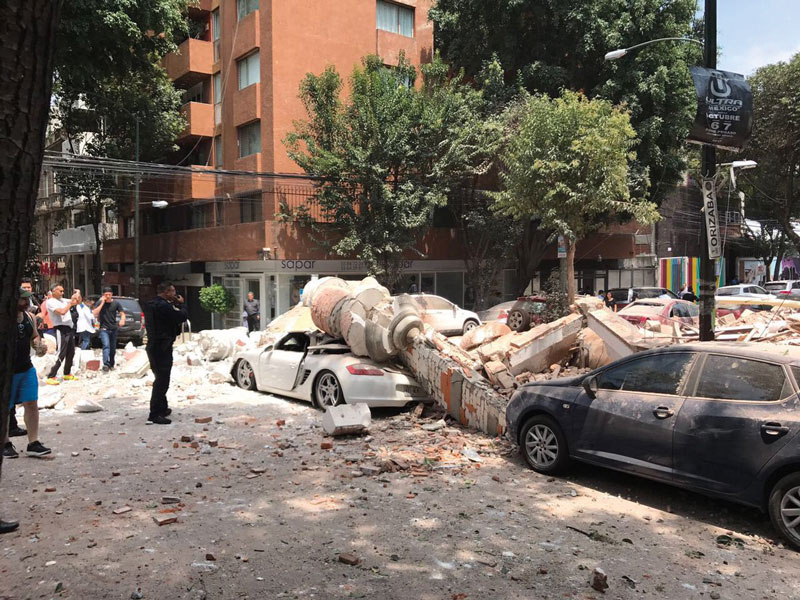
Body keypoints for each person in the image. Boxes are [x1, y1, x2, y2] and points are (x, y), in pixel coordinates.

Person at [4, 288, 52, 462]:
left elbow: (34, 337)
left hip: (26, 368)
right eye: (22, 300)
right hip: (6, 372)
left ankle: (34, 442)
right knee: (5, 408)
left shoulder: (29, 318)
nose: (26, 304)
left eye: (27, 300)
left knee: (31, 403)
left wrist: (39, 345)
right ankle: (5, 444)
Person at [144, 282, 189, 424]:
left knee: (160, 377)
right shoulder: (164, 306)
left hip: (153, 345)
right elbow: (181, 316)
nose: (175, 295)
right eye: (173, 292)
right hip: (162, 346)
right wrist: (181, 304)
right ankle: (154, 414)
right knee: (162, 381)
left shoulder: (151, 304)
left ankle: (162, 408)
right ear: (166, 292)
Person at [45, 285, 79, 385]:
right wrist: (70, 304)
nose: (62, 293)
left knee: (71, 352)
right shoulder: (51, 302)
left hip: (69, 328)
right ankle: (51, 375)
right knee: (61, 352)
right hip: (60, 328)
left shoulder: (63, 300)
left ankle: (67, 373)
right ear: (53, 291)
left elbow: (78, 302)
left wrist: (78, 295)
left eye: (63, 291)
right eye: (60, 291)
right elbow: (62, 312)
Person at [93, 287, 125, 372]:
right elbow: (95, 313)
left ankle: (111, 364)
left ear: (112, 295)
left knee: (113, 348)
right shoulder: (100, 302)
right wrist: (102, 302)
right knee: (106, 346)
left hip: (113, 328)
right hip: (104, 329)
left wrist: (122, 319)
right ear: (103, 295)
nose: (107, 296)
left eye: (109, 295)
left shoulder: (116, 303)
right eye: (106, 295)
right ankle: (105, 364)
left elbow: (122, 313)